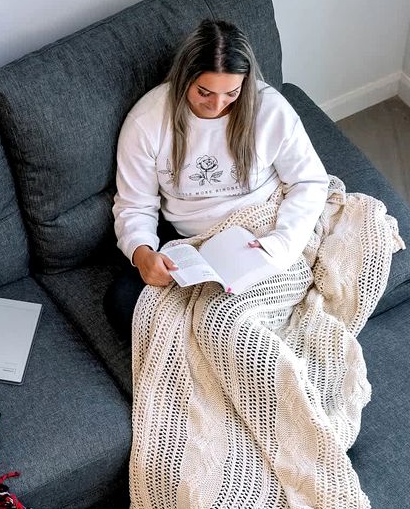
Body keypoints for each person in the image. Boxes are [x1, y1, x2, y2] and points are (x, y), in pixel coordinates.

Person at [104, 18, 330, 338]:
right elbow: (134, 204)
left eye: (231, 93)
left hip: (264, 224)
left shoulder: (270, 110)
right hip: (193, 240)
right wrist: (142, 254)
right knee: (123, 304)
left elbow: (309, 181)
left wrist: (282, 243)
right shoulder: (147, 122)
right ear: (184, 78)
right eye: (204, 92)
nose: (217, 105)